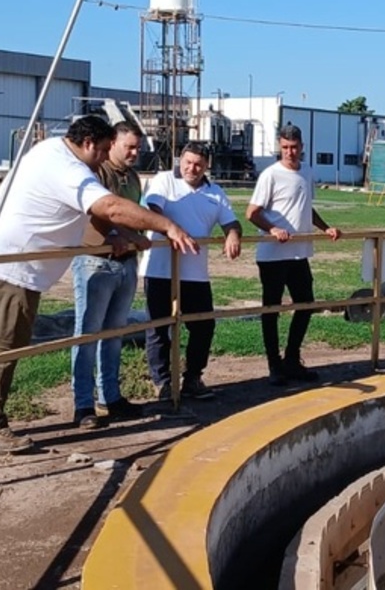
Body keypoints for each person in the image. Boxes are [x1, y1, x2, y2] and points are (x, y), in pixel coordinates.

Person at [0, 115, 197, 454]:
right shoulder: (68, 169)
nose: (104, 157)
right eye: (102, 150)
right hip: (12, 264)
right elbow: (109, 207)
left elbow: (93, 215)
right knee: (3, 344)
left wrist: (118, 233)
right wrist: (168, 227)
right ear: (87, 143)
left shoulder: (49, 151)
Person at [141, 142, 242, 400]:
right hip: (161, 269)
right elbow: (152, 209)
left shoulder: (215, 192)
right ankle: (162, 382)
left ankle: (193, 378)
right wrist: (172, 229)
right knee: (159, 327)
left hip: (195, 273)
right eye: (187, 162)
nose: (191, 168)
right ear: (180, 160)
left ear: (206, 165)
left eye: (198, 164)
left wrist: (232, 235)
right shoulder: (164, 180)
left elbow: (231, 222)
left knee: (203, 326)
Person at [246, 124, 341, 386]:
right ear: (279, 147)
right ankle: (274, 365)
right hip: (273, 255)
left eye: (294, 147)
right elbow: (252, 212)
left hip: (299, 253)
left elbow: (306, 208)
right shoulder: (270, 175)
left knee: (306, 304)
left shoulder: (307, 172)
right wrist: (273, 229)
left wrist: (326, 227)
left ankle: (292, 358)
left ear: (302, 147)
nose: (290, 152)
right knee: (272, 310)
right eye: (285, 147)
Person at [70, 121, 148, 430]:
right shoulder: (95, 174)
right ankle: (83, 404)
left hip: (127, 261)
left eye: (137, 148)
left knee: (115, 333)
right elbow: (98, 213)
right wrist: (118, 233)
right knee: (88, 333)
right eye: (129, 146)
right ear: (112, 143)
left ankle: (110, 397)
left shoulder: (131, 177)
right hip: (95, 261)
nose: (134, 153)